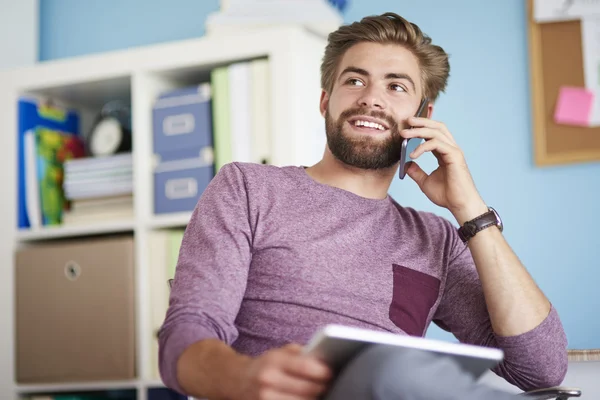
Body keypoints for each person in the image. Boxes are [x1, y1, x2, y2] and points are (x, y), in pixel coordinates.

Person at [158, 12, 568, 400]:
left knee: (400, 371)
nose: (371, 99)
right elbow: (186, 335)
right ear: (325, 101)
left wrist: (471, 211)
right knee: (398, 369)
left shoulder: (437, 240)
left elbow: (541, 370)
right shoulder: (249, 188)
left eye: (396, 86)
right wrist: (243, 378)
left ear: (422, 117)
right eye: (355, 80)